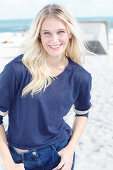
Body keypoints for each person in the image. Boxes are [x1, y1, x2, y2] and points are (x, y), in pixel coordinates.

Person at [0, 3, 92, 170]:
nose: (54, 39)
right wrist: (8, 162)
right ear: (39, 36)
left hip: (57, 156)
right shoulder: (17, 70)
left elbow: (82, 112)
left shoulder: (80, 76)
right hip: (17, 160)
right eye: (47, 33)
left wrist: (70, 148)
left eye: (60, 32)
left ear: (70, 33)